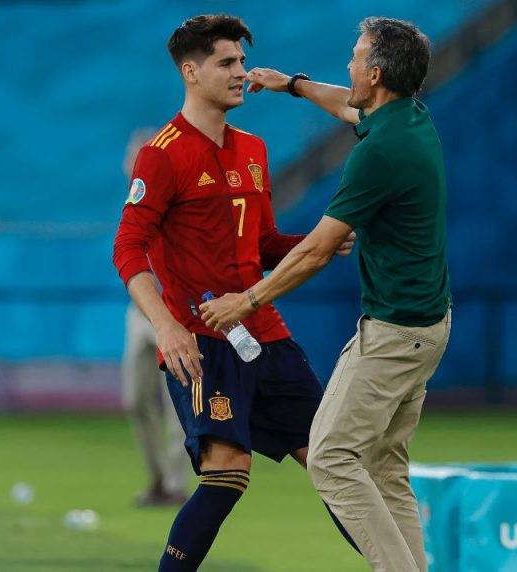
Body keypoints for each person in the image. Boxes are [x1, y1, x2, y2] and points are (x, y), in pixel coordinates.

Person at [200, 17, 451, 571]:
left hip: (395, 332)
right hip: (427, 327)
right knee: (384, 469)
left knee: (332, 459)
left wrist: (246, 301)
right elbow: (346, 104)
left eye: (357, 57)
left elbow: (317, 250)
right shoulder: (407, 118)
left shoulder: (379, 152)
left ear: (377, 72)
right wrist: (292, 83)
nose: (349, 64)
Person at [111, 14, 357, 570]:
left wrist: (319, 240)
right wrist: (168, 326)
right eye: (227, 63)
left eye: (243, 62)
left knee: (335, 465)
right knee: (226, 476)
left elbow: (264, 242)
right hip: (205, 343)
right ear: (191, 73)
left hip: (266, 334)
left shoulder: (253, 149)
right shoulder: (163, 153)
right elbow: (128, 248)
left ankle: (403, 563)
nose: (241, 73)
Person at [120, 128, 191, 507]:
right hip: (139, 312)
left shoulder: (174, 196)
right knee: (134, 399)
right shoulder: (134, 201)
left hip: (171, 312)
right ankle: (158, 478)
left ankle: (174, 485)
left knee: (175, 402)